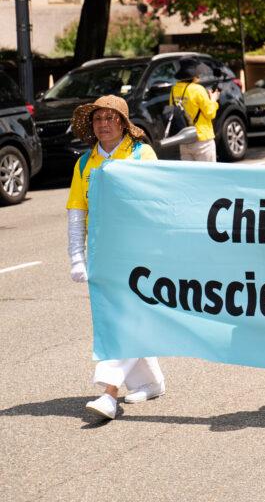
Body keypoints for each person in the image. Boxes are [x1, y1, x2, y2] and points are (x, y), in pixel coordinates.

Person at [66, 95, 163, 420]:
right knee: (114, 319)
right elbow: (77, 212)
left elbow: (157, 201)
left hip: (139, 253)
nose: (103, 124)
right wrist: (76, 257)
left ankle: (108, 391)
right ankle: (150, 381)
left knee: (125, 319)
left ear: (122, 123)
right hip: (102, 255)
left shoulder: (141, 154)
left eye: (110, 118)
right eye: (98, 119)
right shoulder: (84, 163)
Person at [171, 58, 220, 162]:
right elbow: (210, 114)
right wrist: (213, 100)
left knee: (190, 176)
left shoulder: (174, 89)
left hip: (184, 138)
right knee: (207, 175)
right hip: (202, 139)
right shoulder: (197, 89)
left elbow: (173, 110)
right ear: (193, 75)